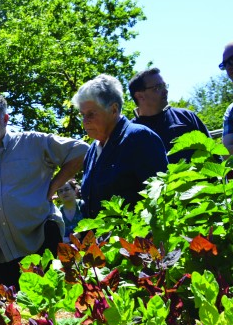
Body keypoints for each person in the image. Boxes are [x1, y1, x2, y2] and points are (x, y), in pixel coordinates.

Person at [0, 93, 88, 288]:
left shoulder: (33, 143)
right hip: (1, 256)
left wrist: (53, 185)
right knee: (15, 314)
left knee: (50, 309)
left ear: (5, 118)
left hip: (42, 244)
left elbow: (81, 150)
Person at [72, 75, 169, 219]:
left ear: (113, 110)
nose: (85, 121)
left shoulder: (139, 138)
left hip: (135, 239)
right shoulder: (92, 150)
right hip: (102, 240)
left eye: (91, 114)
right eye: (82, 115)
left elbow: (161, 199)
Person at [128, 68, 210, 163]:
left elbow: (213, 154)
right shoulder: (131, 133)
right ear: (140, 96)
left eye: (164, 86)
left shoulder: (186, 117)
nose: (165, 91)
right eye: (158, 87)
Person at [221, 41, 233, 155]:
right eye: (225, 64)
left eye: (232, 59)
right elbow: (227, 152)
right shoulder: (231, 111)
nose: (229, 66)